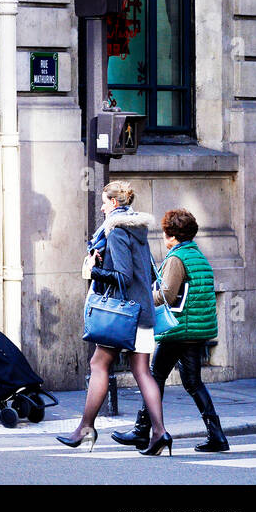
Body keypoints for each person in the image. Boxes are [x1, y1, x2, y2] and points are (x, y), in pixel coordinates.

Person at [58, 181, 171, 455]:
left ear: (115, 204)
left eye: (105, 202)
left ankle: (85, 429)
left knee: (98, 364)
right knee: (143, 371)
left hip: (123, 314)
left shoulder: (118, 231)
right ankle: (160, 433)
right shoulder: (137, 230)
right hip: (142, 311)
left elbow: (123, 276)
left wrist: (94, 269)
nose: (101, 206)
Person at [111, 208, 229, 453]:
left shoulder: (177, 259)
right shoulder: (197, 256)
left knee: (154, 377)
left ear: (172, 236)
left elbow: (167, 294)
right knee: (193, 383)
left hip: (178, 330)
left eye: (165, 234)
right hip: (195, 330)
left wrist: (142, 297)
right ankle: (216, 435)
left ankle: (143, 430)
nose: (163, 239)